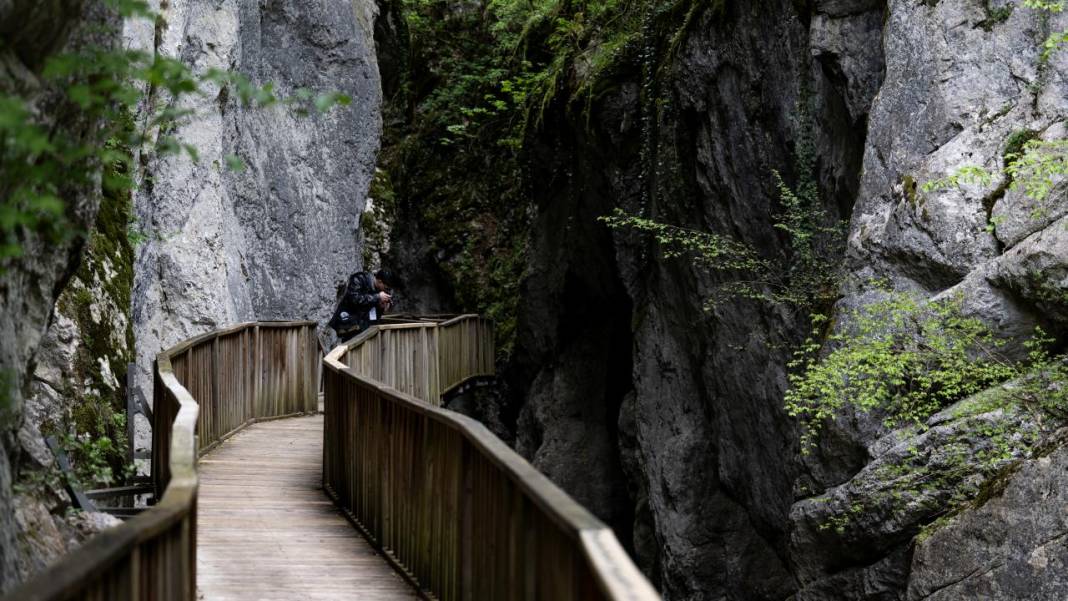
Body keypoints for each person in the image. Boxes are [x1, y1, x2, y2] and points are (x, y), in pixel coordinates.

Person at [329, 269, 400, 342]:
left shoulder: (379, 291)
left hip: (365, 328)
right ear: (380, 281)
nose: (386, 290)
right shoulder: (360, 279)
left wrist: (381, 307)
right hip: (350, 325)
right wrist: (377, 297)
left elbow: (373, 314)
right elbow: (354, 299)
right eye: (386, 288)